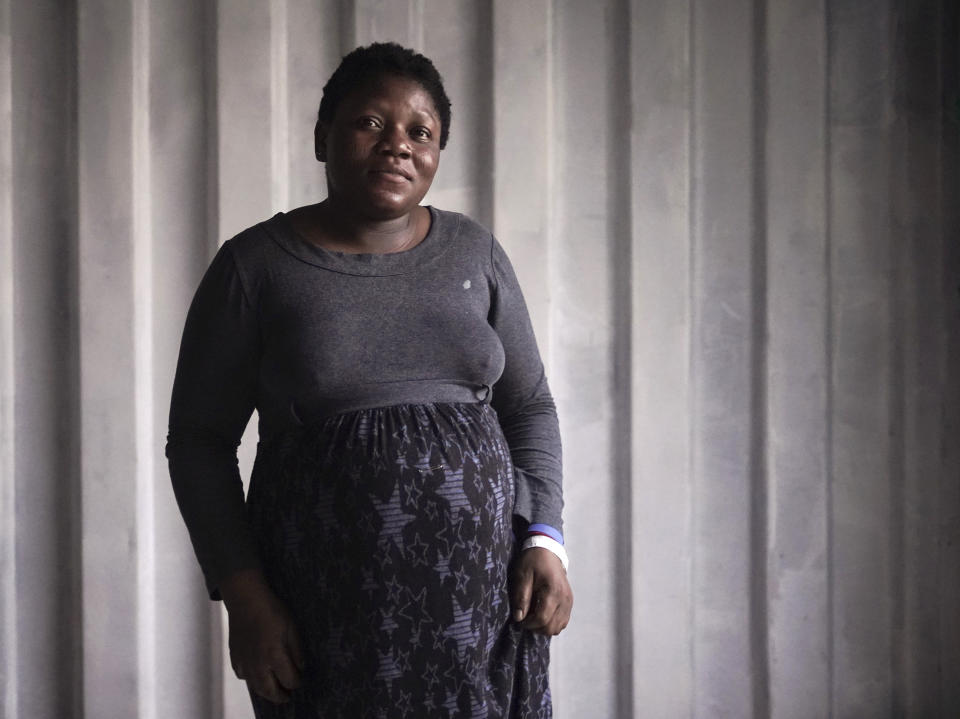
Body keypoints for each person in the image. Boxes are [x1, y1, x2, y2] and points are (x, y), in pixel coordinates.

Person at [166, 42, 572, 718]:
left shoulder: (474, 253)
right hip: (327, 617)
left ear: (439, 152)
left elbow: (528, 407)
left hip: (484, 615)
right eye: (371, 123)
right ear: (323, 138)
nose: (398, 145)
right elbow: (199, 443)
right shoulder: (256, 267)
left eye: (422, 131)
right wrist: (245, 595)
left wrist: (545, 538)